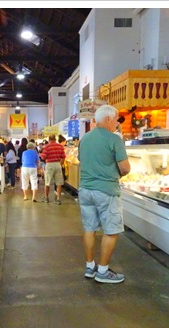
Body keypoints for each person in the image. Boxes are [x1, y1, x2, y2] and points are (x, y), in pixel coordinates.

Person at [78, 104, 131, 284]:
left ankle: (89, 266)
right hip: (106, 191)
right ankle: (102, 271)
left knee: (89, 228)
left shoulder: (84, 139)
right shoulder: (114, 139)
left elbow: (82, 160)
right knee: (111, 231)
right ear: (108, 119)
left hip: (85, 190)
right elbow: (125, 168)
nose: (117, 123)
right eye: (116, 119)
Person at [40, 134, 66, 205]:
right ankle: (58, 199)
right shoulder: (60, 146)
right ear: (55, 139)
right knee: (58, 183)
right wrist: (61, 164)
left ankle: (46, 198)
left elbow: (43, 157)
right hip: (58, 164)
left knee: (47, 182)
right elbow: (63, 157)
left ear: (49, 140)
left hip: (49, 165)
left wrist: (41, 155)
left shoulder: (47, 147)